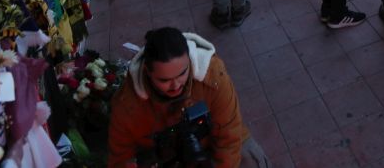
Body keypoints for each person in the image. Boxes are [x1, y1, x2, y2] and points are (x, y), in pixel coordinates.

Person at [107, 27, 269, 168]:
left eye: (182, 73)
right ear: (148, 73)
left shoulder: (213, 77)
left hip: (213, 138)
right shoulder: (127, 105)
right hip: (164, 155)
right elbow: (120, 156)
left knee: (250, 159)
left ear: (190, 61)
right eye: (164, 80)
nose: (176, 85)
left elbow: (228, 135)